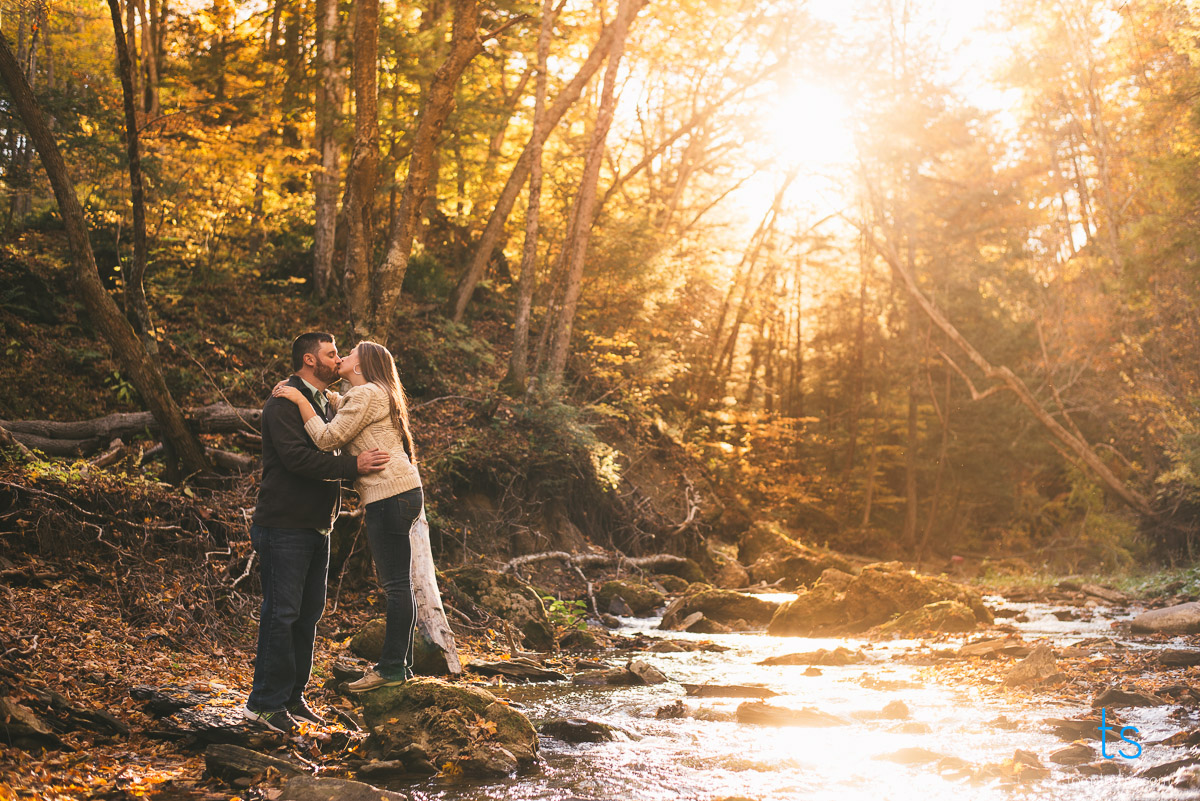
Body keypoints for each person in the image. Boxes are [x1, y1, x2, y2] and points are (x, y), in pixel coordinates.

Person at [244, 332, 391, 734]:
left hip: (316, 525)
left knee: (308, 615)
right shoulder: (282, 400)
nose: (338, 358)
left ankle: (292, 697)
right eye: (331, 354)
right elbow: (296, 459)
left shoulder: (325, 401)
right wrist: (353, 466)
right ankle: (263, 705)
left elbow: (335, 441)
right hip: (283, 525)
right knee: (282, 615)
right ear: (310, 360)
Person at [273, 340, 423, 692]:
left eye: (349, 354)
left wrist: (298, 399)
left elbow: (328, 439)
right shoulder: (375, 392)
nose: (341, 358)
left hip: (388, 494)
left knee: (396, 586)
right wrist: (323, 398)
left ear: (361, 365)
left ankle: (389, 669)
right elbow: (344, 408)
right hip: (403, 491)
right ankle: (401, 666)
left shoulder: (366, 393)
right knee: (401, 584)